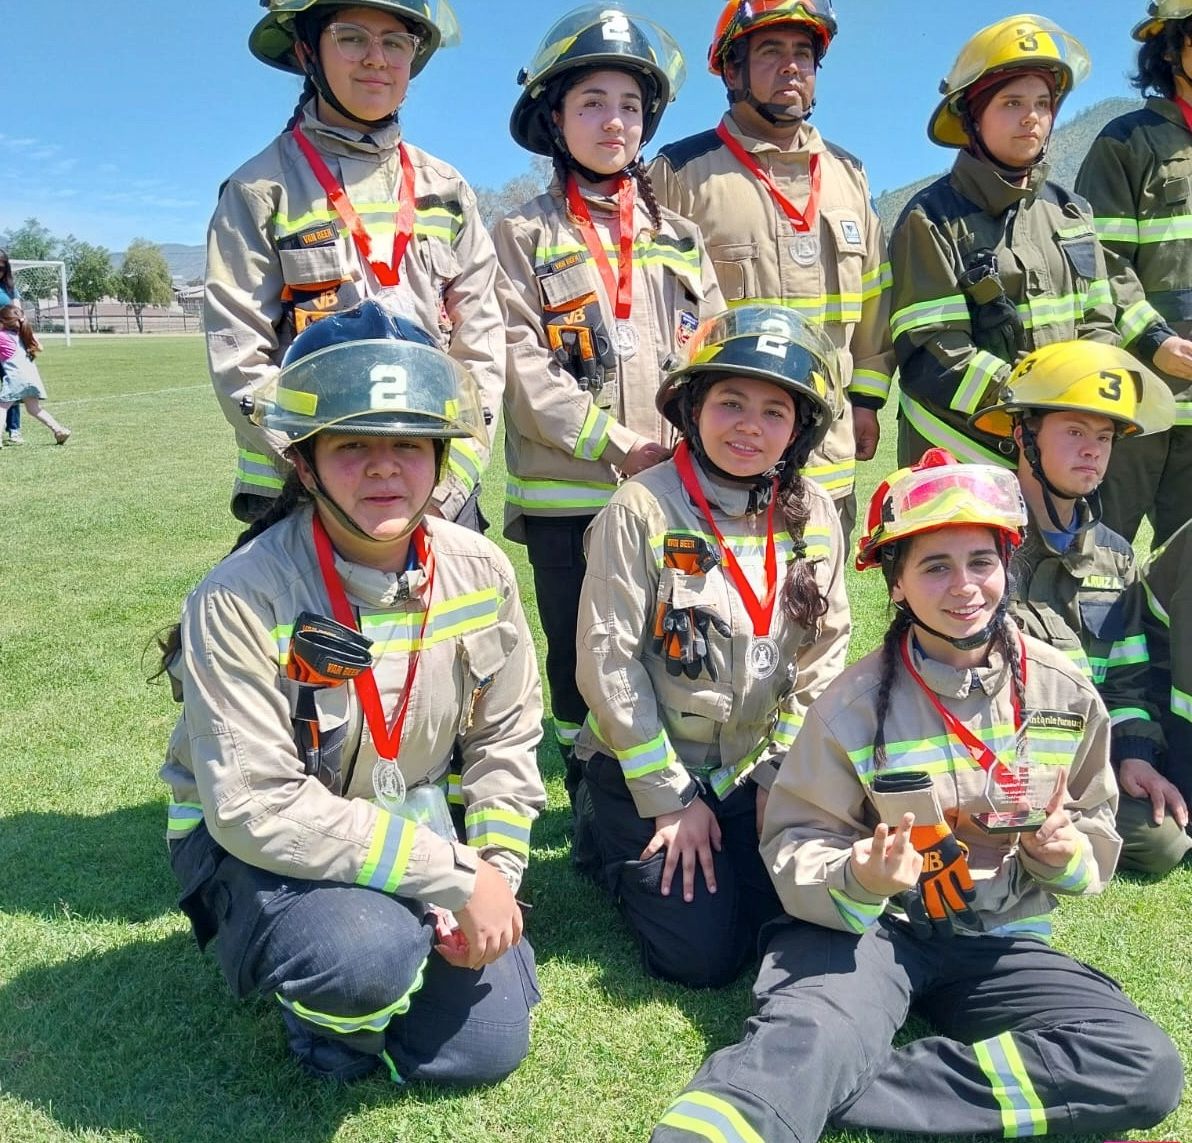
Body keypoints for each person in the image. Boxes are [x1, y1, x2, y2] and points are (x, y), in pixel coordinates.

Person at [653, 449, 1184, 1143]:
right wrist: (860, 875)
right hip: (872, 931)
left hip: (996, 937)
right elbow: (793, 839)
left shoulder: (1063, 688)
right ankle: (766, 1097)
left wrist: (1062, 852)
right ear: (896, 583)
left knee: (1145, 1064)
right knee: (815, 1029)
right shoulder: (848, 706)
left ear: (1007, 566)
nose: (964, 586)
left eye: (981, 561)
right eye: (935, 566)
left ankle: (839, 1085)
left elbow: (1096, 830)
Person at [159, 300, 546, 1085]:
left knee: (486, 1046)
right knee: (364, 953)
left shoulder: (482, 570)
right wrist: (453, 875)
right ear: (304, 462)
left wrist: (497, 867)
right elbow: (254, 805)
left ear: (443, 458)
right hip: (260, 845)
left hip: (415, 828)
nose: (383, 468)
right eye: (353, 446)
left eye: (408, 445)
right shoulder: (240, 595)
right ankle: (335, 1029)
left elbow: (507, 739)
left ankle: (397, 948)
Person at [574, 305, 850, 987]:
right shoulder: (640, 508)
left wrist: (776, 773)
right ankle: (603, 832)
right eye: (730, 402)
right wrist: (670, 798)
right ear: (692, 407)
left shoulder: (814, 513)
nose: (750, 426)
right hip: (650, 769)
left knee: (793, 911)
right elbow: (608, 666)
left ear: (799, 429)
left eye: (774, 412)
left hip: (748, 769)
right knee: (704, 957)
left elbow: (824, 655)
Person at [494, 5, 723, 794]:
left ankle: (659, 781)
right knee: (578, 653)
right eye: (591, 102)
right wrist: (613, 442)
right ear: (555, 118)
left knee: (666, 640)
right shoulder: (520, 236)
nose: (613, 121)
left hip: (672, 494)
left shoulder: (682, 237)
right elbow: (518, 366)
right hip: (569, 498)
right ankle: (587, 791)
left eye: (629, 105)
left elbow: (714, 353)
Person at [206, 0, 503, 529]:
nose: (376, 59)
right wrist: (321, 476)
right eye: (351, 38)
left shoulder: (449, 191)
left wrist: (449, 479)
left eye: (395, 42)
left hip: (439, 496)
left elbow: (480, 347)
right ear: (307, 51)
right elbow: (238, 358)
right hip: (300, 494)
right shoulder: (258, 191)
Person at [648, 0, 894, 546]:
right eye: (771, 51)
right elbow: (659, 313)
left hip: (827, 459)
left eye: (803, 54)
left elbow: (877, 300)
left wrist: (870, 401)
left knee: (819, 616)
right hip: (725, 455)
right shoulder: (680, 173)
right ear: (732, 69)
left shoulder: (849, 176)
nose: (791, 67)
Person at [889, 15, 1153, 468]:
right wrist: (1033, 406)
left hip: (1058, 454)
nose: (1031, 118)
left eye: (1043, 103)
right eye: (1011, 103)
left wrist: (1074, 405)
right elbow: (935, 354)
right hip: (964, 456)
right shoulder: (930, 217)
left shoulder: (1072, 212)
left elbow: (1099, 319)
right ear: (973, 115)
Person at [971, 339, 1191, 874]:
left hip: (1084, 761)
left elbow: (1125, 677)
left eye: (1104, 437)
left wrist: (1134, 753)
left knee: (1164, 841)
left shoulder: (1114, 553)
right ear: (1024, 435)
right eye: (1074, 432)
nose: (1092, 451)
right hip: (989, 762)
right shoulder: (977, 547)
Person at [1075, 1, 1192, 546]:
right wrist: (1154, 339)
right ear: (1170, 50)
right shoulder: (1126, 143)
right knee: (1103, 553)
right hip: (1139, 401)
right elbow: (1100, 260)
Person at [0, 303, 69, 446]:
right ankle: (59, 430)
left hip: (16, 378)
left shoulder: (2, 337)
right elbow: (40, 348)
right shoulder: (23, 336)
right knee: (33, 408)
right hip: (32, 377)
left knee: (2, 407)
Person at [0, 249, 29, 444]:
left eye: (1, 267)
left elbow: (18, 313)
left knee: (12, 385)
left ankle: (14, 430)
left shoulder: (10, 289)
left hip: (8, 346)